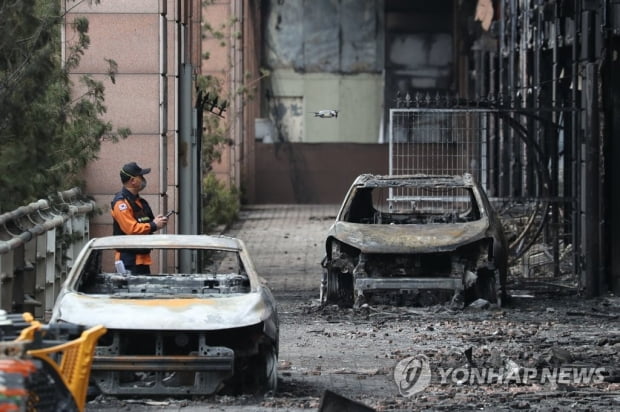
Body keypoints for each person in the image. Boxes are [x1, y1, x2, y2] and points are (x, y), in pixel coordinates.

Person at [110, 162, 168, 274]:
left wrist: (157, 221)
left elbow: (145, 223)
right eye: (140, 177)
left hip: (141, 259)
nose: (143, 179)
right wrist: (154, 225)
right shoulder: (121, 203)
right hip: (128, 260)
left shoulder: (139, 202)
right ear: (133, 181)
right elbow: (131, 229)